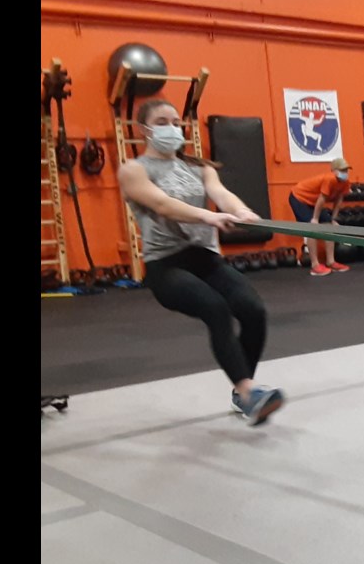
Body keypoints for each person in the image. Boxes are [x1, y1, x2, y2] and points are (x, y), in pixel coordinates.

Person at [117, 99, 285, 426]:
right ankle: (249, 391)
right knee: (215, 308)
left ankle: (244, 393)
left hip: (207, 261)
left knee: (253, 310)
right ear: (144, 130)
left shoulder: (199, 166)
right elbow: (162, 205)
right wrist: (209, 216)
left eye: (175, 122)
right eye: (162, 121)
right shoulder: (134, 170)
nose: (171, 127)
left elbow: (220, 193)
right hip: (167, 266)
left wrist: (242, 212)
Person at [289, 158, 353, 276]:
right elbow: (321, 200)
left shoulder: (345, 183)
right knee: (312, 229)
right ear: (334, 171)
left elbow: (339, 200)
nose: (345, 172)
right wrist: (315, 219)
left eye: (346, 170)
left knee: (328, 226)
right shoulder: (329, 179)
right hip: (299, 197)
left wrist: (333, 219)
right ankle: (315, 265)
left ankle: (330, 261)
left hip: (313, 202)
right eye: (342, 170)